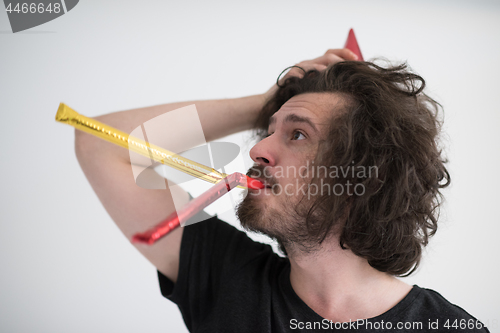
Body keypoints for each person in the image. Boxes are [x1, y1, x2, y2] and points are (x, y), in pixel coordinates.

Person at [75, 49, 489, 332]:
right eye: (268, 130)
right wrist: (264, 102)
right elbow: (99, 143)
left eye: (296, 135)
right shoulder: (227, 279)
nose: (256, 150)